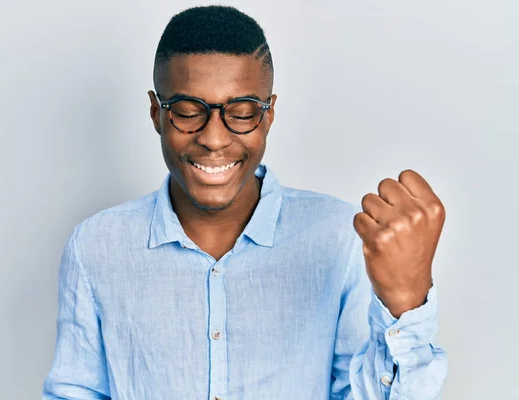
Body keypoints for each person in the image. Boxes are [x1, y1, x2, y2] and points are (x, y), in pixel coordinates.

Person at [43, 5, 447, 399]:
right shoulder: (96, 246)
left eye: (241, 113)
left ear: (268, 115)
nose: (214, 139)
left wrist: (405, 307)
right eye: (187, 111)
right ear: (156, 114)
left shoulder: (341, 240)